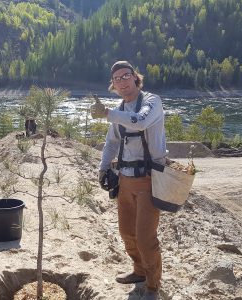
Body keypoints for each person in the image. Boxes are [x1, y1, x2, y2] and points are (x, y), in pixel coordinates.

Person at [90, 61, 167, 300]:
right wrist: (103, 169)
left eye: (126, 76)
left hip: (149, 180)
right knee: (127, 233)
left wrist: (107, 114)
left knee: (145, 238)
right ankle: (139, 271)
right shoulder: (119, 109)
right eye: (117, 79)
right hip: (125, 181)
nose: (122, 81)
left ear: (135, 78)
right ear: (113, 85)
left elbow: (141, 121)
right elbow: (112, 143)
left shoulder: (152, 102)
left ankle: (153, 287)